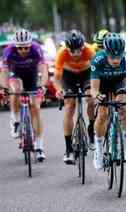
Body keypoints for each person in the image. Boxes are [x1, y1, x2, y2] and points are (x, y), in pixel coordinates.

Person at [1, 28, 48, 161]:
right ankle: (15, 120)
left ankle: (39, 147)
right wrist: (4, 88)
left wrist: (43, 85)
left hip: (32, 77)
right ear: (15, 46)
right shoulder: (8, 51)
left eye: (26, 48)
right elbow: (4, 72)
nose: (23, 51)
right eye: (20, 48)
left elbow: (43, 69)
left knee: (36, 108)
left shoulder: (36, 49)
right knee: (16, 90)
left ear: (30, 44)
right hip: (15, 75)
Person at [91, 33, 126, 170]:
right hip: (102, 84)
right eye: (112, 57)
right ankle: (98, 149)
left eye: (118, 56)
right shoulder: (98, 60)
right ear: (105, 52)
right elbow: (94, 89)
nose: (115, 60)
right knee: (102, 114)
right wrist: (97, 96)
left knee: (124, 109)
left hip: (118, 82)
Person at [54, 30, 95, 164]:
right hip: (69, 76)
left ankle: (91, 128)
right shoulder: (62, 53)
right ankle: (69, 149)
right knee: (69, 106)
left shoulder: (89, 50)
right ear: (67, 48)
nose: (76, 54)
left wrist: (97, 89)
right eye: (73, 51)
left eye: (79, 50)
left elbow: (98, 71)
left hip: (86, 74)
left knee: (90, 97)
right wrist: (59, 90)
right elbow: (57, 78)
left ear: (83, 46)